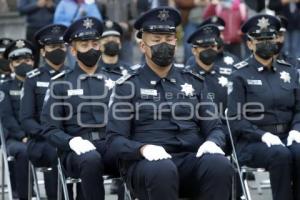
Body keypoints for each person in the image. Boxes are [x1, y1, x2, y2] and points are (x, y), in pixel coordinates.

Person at [106, 7, 233, 200]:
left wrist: (212, 142)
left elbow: (215, 126)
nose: (163, 45)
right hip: (147, 164)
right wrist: (142, 149)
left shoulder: (193, 81)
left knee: (219, 164)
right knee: (163, 169)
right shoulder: (127, 85)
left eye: (169, 39)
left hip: (190, 159)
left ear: (176, 42)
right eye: (156, 41)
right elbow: (114, 141)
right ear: (142, 46)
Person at [41, 17, 122, 200]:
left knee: (132, 154)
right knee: (91, 159)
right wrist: (70, 141)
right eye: (84, 45)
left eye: (95, 43)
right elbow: (50, 128)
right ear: (73, 50)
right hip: (76, 150)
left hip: (109, 143)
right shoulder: (60, 83)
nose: (91, 49)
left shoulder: (117, 80)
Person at [227, 14, 300, 200]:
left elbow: (299, 108)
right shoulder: (239, 75)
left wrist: (297, 129)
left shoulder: (289, 71)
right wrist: (263, 135)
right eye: (260, 39)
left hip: (286, 135)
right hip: (253, 142)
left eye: (270, 38)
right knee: (280, 155)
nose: (266, 43)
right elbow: (235, 118)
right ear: (250, 44)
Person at [20, 24, 68, 200]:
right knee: (56, 153)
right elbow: (26, 119)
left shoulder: (73, 76)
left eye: (62, 46)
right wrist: (51, 134)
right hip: (42, 141)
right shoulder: (33, 79)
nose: (58, 50)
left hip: (69, 138)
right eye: (53, 47)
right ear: (43, 51)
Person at [186, 24, 233, 154]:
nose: (209, 50)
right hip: (195, 133)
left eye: (212, 46)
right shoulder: (186, 77)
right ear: (194, 50)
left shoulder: (228, 75)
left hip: (224, 132)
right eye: (204, 47)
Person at [1, 39, 36, 200]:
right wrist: (23, 136)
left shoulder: (42, 84)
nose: (23, 63)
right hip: (15, 138)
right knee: (23, 151)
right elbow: (7, 117)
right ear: (11, 65)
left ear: (33, 62)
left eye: (27, 59)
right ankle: (24, 194)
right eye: (18, 60)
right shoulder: (4, 87)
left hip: (39, 134)